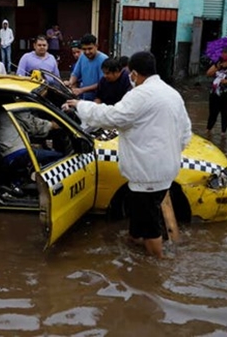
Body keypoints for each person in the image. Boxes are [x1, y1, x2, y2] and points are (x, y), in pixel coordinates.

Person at [63, 51, 192, 258]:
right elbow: (186, 131)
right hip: (164, 168)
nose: (130, 78)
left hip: (147, 172)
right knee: (140, 213)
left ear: (134, 73)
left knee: (150, 225)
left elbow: (112, 116)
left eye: (130, 74)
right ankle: (133, 243)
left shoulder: (139, 95)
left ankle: (155, 271)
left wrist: (80, 105)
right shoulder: (172, 93)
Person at [0, 109, 62, 195]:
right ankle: (51, 189)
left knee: (40, 152)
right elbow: (32, 124)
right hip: (15, 153)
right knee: (59, 157)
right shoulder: (11, 108)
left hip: (5, 153)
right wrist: (51, 125)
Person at [65, 33, 108, 101]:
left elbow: (102, 83)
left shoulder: (104, 59)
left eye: (90, 48)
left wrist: (81, 90)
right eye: (84, 49)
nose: (87, 52)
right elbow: (75, 74)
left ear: (96, 46)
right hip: (86, 98)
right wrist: (70, 82)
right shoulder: (82, 57)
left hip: (99, 100)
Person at [205, 46, 227, 137]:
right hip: (214, 93)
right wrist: (219, 66)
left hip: (226, 94)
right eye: (223, 53)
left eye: (225, 53)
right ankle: (207, 132)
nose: (223, 55)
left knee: (225, 115)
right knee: (212, 114)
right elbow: (208, 73)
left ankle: (223, 134)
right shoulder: (218, 63)